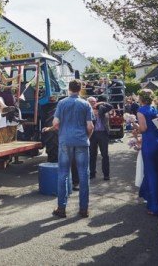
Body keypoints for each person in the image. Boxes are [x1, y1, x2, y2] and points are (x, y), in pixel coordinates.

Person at [42, 80, 94, 218]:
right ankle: (83, 209)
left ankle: (61, 208)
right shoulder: (86, 104)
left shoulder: (62, 103)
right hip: (82, 141)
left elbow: (56, 123)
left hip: (65, 141)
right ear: (81, 88)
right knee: (84, 175)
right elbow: (90, 127)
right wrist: (86, 138)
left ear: (69, 89)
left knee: (63, 174)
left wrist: (54, 129)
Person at [134, 89, 158, 216]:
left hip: (149, 143)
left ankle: (155, 206)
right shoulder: (155, 109)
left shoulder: (141, 110)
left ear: (141, 98)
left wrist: (134, 126)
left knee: (151, 174)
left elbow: (143, 128)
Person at [0, 58, 23, 122]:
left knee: (11, 96)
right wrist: (9, 86)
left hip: (0, 88)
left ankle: (14, 116)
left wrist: (16, 77)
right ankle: (9, 116)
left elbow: (5, 80)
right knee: (7, 96)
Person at [87, 96, 113, 181]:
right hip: (92, 134)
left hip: (103, 133)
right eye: (91, 102)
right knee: (92, 155)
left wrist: (101, 103)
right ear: (88, 102)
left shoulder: (101, 107)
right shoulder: (87, 110)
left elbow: (110, 107)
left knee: (105, 155)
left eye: (94, 101)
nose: (93, 103)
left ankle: (106, 174)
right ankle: (92, 173)